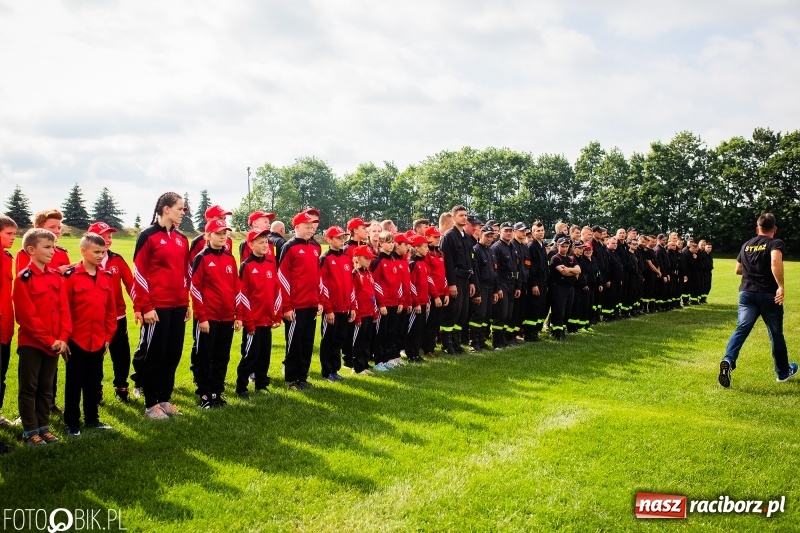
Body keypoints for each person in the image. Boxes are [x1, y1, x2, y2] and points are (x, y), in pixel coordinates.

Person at [131, 192, 191, 420]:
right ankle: (151, 404)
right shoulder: (147, 236)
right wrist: (146, 306)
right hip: (156, 307)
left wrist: (185, 302)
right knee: (155, 355)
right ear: (166, 209)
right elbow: (139, 273)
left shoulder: (181, 239)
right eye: (180, 208)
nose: (183, 213)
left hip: (178, 305)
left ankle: (164, 399)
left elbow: (185, 274)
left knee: (172, 354)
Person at [719, 213, 797, 387]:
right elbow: (775, 260)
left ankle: (728, 360)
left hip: (746, 293)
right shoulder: (775, 243)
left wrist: (753, 269)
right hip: (768, 294)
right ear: (774, 229)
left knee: (742, 328)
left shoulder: (746, 245)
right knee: (775, 333)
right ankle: (783, 373)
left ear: (757, 229)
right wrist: (781, 286)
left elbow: (738, 269)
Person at [14, 228, 71, 445]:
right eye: (47, 247)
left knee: (46, 387)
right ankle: (30, 431)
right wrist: (50, 340)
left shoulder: (56, 276)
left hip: (55, 343)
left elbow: (64, 309)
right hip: (33, 344)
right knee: (29, 388)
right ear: (31, 250)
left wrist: (63, 338)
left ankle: (43, 427)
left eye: (53, 247)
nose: (52, 251)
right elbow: (26, 317)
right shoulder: (24, 279)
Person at [62, 233, 117, 436]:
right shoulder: (71, 276)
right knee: (74, 382)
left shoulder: (106, 276)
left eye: (103, 252)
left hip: (98, 339)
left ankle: (92, 419)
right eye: (96, 252)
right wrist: (65, 338)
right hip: (76, 339)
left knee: (93, 381)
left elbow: (110, 311)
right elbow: (64, 309)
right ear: (83, 251)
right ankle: (72, 422)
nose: (101, 255)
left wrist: (108, 337)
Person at [190, 219, 242, 408]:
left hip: (227, 317)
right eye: (218, 233)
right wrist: (202, 317)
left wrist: (238, 314)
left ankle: (216, 393)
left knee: (222, 357)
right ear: (208, 235)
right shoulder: (201, 258)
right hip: (208, 318)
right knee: (205, 357)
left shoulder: (229, 258)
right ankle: (205, 395)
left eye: (224, 233)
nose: (222, 237)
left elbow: (237, 287)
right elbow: (195, 289)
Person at [87, 222, 135, 404]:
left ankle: (121, 388)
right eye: (103, 236)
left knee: (121, 354)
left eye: (110, 237)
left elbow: (130, 283)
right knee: (95, 355)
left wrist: (139, 307)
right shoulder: (86, 264)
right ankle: (96, 390)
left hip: (118, 317)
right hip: (94, 318)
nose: (107, 240)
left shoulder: (117, 259)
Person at [278, 209, 323, 390]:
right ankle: (292, 379)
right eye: (307, 227)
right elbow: (282, 277)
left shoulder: (315, 248)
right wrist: (287, 306)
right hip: (296, 305)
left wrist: (319, 300)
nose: (311, 230)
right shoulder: (289, 247)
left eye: (312, 227)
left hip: (311, 303)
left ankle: (303, 377)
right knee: (294, 343)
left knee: (307, 342)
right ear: (296, 227)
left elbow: (318, 277)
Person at [236, 228, 281, 398]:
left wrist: (277, 315)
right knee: (250, 356)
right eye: (260, 242)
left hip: (267, 320)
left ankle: (261, 384)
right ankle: (241, 387)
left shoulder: (270, 264)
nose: (265, 245)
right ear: (251, 245)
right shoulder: (246, 266)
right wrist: (248, 321)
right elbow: (243, 295)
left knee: (264, 355)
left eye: (266, 242)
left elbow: (277, 290)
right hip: (253, 321)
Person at [318, 226, 356, 382]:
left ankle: (335, 369)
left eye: (343, 238)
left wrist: (352, 306)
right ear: (329, 240)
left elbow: (351, 284)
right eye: (338, 238)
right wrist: (328, 309)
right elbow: (322, 285)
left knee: (339, 339)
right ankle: (327, 371)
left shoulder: (347, 258)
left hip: (345, 307)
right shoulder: (325, 259)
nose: (342, 241)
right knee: (329, 340)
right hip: (332, 309)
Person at [439, 206, 476, 354]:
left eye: (465, 215)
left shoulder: (467, 237)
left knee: (462, 313)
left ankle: (456, 343)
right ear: (453, 217)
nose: (464, 218)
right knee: (452, 311)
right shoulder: (448, 236)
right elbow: (447, 262)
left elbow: (470, 261)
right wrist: (451, 283)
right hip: (455, 278)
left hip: (466, 279)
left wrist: (472, 281)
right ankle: (446, 344)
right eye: (461, 215)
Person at [371, 231, 402, 371]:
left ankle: (388, 358)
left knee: (391, 332)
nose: (391, 245)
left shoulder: (393, 260)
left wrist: (399, 301)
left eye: (392, 242)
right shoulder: (378, 261)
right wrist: (381, 303)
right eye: (388, 242)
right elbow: (375, 283)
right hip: (383, 304)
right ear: (381, 244)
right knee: (381, 333)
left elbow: (398, 282)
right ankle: (379, 360)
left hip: (394, 302)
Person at [0, 216, 17, 427]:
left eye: (14, 233)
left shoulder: (7, 257)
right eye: (8, 233)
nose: (13, 237)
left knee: (2, 374)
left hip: (5, 326)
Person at [470, 225, 499, 351]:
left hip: (490, 288)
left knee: (486, 316)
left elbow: (495, 271)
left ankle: (481, 341)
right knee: (478, 316)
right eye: (487, 236)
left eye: (491, 236)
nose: (489, 239)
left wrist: (496, 290)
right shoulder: (475, 250)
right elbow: (475, 274)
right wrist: (477, 293)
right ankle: (474, 342)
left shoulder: (491, 251)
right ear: (481, 235)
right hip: (481, 287)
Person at [405, 235, 432, 362]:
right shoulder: (413, 264)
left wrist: (427, 300)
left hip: (423, 301)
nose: (427, 249)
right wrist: (416, 302)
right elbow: (411, 284)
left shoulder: (423, 263)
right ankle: (410, 353)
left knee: (420, 328)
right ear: (416, 248)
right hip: (416, 303)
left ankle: (416, 353)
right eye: (425, 246)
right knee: (413, 328)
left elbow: (425, 284)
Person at [351, 246, 378, 375]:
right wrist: (357, 315)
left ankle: (365, 363)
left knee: (367, 340)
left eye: (370, 258)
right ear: (357, 259)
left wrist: (375, 312)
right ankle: (357, 366)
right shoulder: (355, 274)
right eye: (366, 258)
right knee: (359, 341)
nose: (369, 261)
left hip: (369, 312)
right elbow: (354, 295)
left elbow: (372, 294)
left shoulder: (369, 274)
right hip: (360, 313)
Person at [422, 226, 448, 356]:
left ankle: (431, 347)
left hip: (441, 293)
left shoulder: (440, 253)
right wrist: (436, 295)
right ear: (427, 238)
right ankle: (427, 349)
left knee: (436, 322)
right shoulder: (426, 254)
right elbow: (428, 276)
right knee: (430, 322)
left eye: (439, 237)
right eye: (435, 237)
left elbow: (443, 275)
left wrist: (446, 292)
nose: (438, 239)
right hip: (432, 294)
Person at [549, 237, 580, 341]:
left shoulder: (571, 258)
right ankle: (556, 332)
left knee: (567, 310)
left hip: (570, 287)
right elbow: (564, 272)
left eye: (567, 246)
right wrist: (573, 271)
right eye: (562, 246)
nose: (565, 248)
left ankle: (562, 329)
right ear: (558, 246)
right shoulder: (556, 258)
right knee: (559, 310)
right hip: (559, 287)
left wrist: (569, 270)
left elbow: (579, 271)